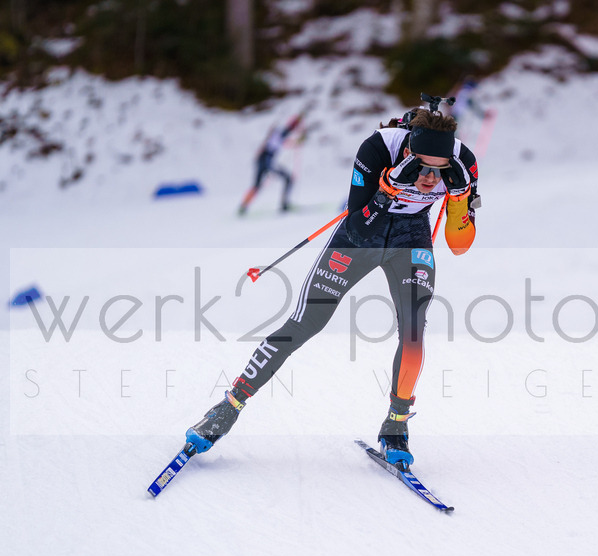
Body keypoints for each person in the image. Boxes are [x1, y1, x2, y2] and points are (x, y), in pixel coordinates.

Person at [187, 106, 480, 470]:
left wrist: (458, 201)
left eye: (440, 170)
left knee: (414, 332)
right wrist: (385, 191)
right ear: (407, 152)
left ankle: (396, 427)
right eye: (421, 167)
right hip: (362, 235)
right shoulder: (377, 149)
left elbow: (460, 244)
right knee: (305, 324)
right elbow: (358, 228)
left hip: (411, 237)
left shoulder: (463, 162)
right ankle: (227, 408)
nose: (430, 178)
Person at [238, 112, 305, 215]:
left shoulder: (276, 135)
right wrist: (296, 126)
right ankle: (284, 205)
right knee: (288, 178)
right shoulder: (279, 134)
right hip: (267, 162)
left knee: (257, 185)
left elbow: (285, 139)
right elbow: (286, 134)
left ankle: (243, 206)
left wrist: (296, 138)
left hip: (261, 161)